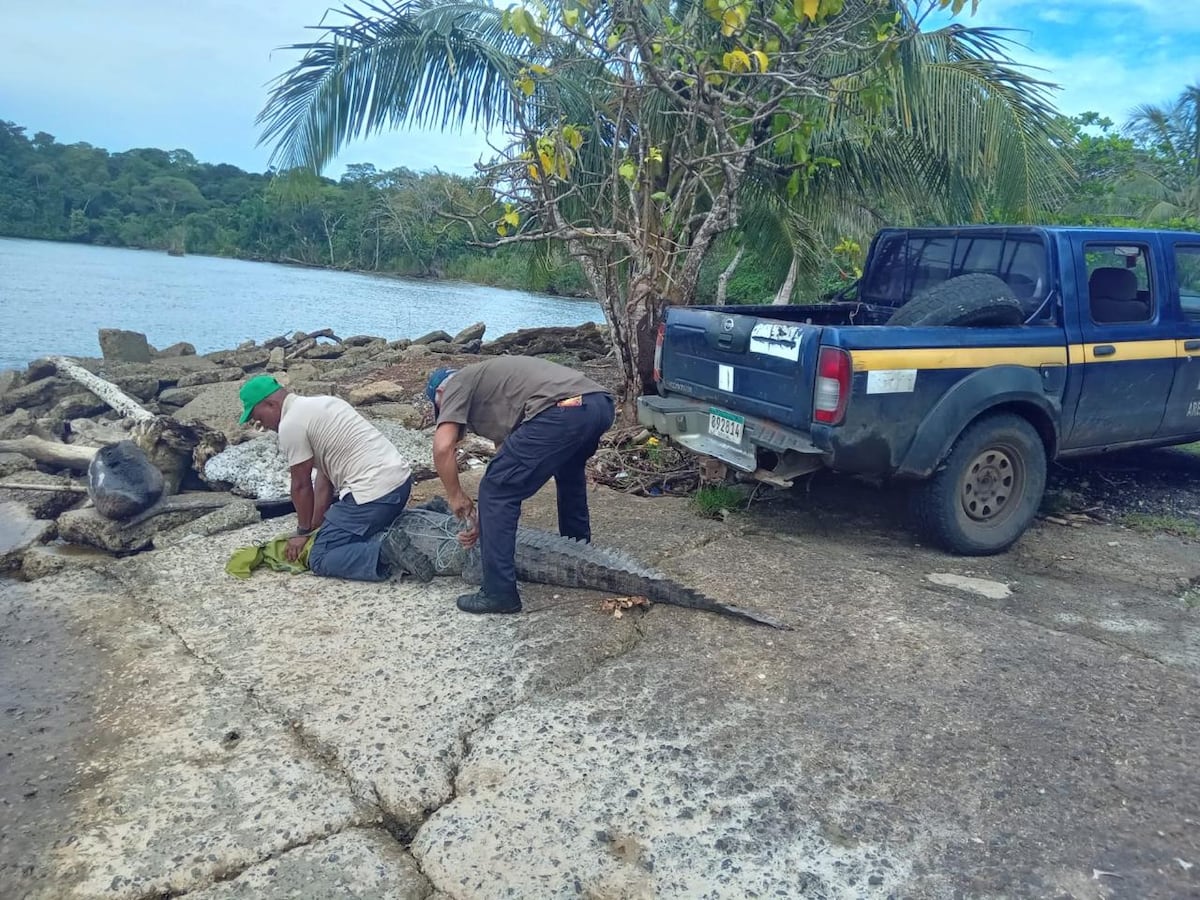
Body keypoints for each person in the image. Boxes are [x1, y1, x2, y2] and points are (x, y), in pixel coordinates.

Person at [426, 356, 615, 615]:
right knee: (568, 473)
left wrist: (455, 495)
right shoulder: (492, 387)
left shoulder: (455, 383)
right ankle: (577, 549)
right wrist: (487, 523)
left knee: (494, 491)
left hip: (562, 410)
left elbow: (442, 447)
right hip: (598, 404)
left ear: (440, 393)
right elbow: (509, 458)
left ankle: (498, 592)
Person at [237, 374, 432, 582]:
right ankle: (424, 515)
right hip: (400, 485)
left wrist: (302, 533)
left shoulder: (290, 424)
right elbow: (325, 479)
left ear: (270, 404)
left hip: (373, 496)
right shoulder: (324, 403)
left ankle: (385, 552)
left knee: (320, 556)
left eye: (259, 419)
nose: (262, 425)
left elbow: (301, 485)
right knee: (335, 532)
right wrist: (315, 526)